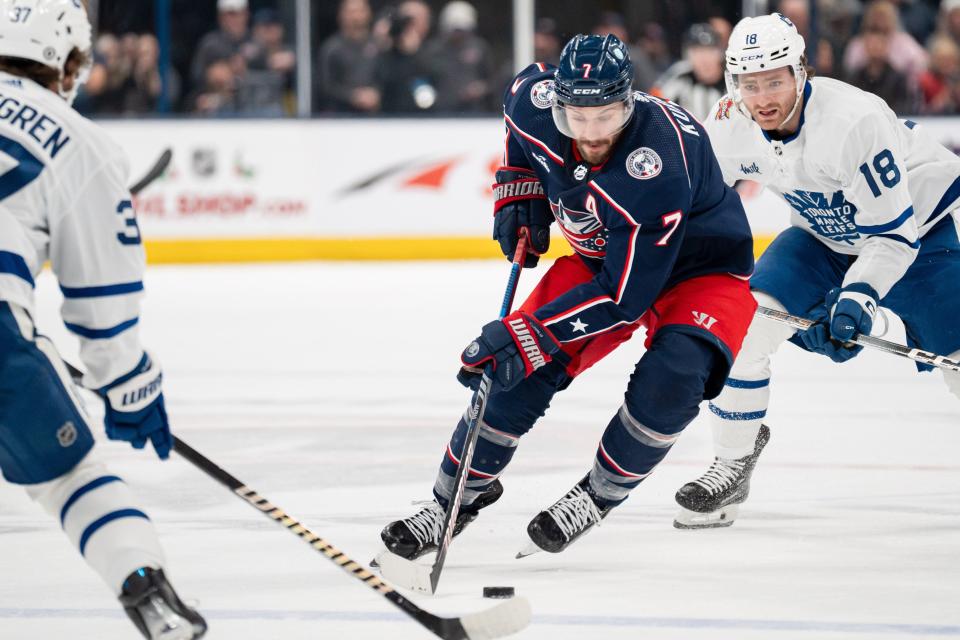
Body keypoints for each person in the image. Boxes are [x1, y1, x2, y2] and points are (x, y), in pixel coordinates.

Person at [380, 33, 757, 558]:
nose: (591, 132)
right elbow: (518, 112)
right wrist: (518, 190)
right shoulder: (533, 102)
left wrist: (529, 329)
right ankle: (450, 503)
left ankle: (597, 495)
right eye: (576, 117)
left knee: (674, 377)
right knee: (515, 369)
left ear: (629, 101)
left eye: (605, 116)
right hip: (604, 257)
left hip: (700, 270)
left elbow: (625, 297)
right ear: (556, 103)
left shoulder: (660, 158)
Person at [673, 13, 960, 530]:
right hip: (824, 235)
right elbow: (691, 202)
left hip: (924, 229)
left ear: (801, 71)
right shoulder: (730, 120)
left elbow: (892, 237)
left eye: (775, 80)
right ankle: (733, 461)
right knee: (745, 326)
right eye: (749, 83)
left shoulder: (853, 120)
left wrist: (857, 298)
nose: (762, 97)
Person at [0, 2, 206, 638]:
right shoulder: (80, 141)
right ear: (66, 62)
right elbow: (102, 308)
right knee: (69, 475)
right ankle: (146, 589)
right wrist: (130, 387)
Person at [650, 24, 726, 121]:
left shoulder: (734, 80)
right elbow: (652, 106)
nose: (704, 59)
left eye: (710, 51)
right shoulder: (679, 76)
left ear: (721, 54)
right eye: (697, 52)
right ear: (687, 56)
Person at [316, 0, 380, 113]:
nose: (356, 16)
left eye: (360, 11)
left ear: (369, 13)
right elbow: (325, 85)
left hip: (377, 115)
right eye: (351, 12)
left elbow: (388, 77)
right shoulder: (331, 48)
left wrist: (377, 93)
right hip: (342, 116)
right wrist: (352, 96)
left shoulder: (379, 45)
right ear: (341, 15)